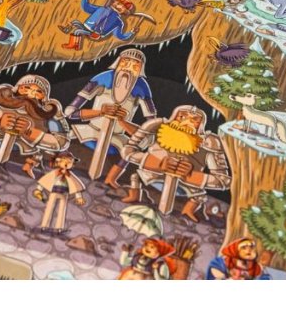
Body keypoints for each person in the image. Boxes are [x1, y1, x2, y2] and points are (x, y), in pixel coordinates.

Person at [65, 49, 157, 190]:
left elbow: (151, 127)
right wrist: (100, 112)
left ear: (140, 69)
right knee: (63, 137)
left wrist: (122, 122)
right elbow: (70, 112)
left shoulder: (142, 87)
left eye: (135, 65)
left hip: (118, 136)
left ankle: (111, 178)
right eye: (125, 62)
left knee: (133, 150)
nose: (129, 67)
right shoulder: (103, 78)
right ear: (118, 62)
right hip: (90, 129)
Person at [121, 105, 231, 221]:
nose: (187, 122)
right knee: (136, 177)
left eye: (194, 120)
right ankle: (134, 196)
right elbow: (127, 151)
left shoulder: (210, 142)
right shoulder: (157, 126)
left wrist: (191, 175)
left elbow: (224, 181)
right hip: (153, 176)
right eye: (182, 117)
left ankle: (188, 210)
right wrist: (158, 164)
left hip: (186, 185)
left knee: (199, 196)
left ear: (201, 124)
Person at [0, 75, 70, 176]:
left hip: (24, 150)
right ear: (18, 88)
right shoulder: (1, 97)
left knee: (35, 156)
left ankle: (28, 166)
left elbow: (62, 141)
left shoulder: (48, 112)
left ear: (44, 97)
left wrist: (30, 133)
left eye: (38, 91)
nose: (31, 93)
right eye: (26, 88)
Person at [58, 0, 153, 51]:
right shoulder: (102, 9)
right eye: (118, 3)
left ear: (125, 12)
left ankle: (74, 45)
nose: (118, 6)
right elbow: (86, 7)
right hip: (87, 26)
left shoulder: (118, 22)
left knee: (77, 31)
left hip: (95, 33)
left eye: (122, 7)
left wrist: (131, 32)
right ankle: (67, 30)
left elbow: (119, 35)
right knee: (75, 22)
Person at [33, 151, 86, 235]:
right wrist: (38, 189)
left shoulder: (69, 175)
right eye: (66, 161)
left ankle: (59, 228)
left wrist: (79, 197)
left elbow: (75, 186)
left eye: (70, 161)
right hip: (54, 192)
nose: (68, 163)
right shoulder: (55, 173)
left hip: (64, 194)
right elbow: (46, 180)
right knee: (49, 208)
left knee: (62, 210)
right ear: (58, 161)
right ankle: (44, 226)